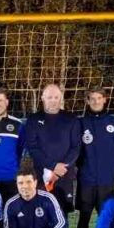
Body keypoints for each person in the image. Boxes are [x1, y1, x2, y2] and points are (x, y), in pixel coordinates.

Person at [76, 87, 114, 228]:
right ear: (87, 101)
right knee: (84, 218)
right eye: (92, 99)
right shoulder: (80, 123)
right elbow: (76, 151)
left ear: (105, 100)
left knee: (106, 220)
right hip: (86, 181)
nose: (96, 101)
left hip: (106, 182)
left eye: (99, 98)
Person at [24, 83, 81, 212]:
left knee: (63, 212)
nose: (53, 101)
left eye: (56, 97)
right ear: (43, 98)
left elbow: (76, 147)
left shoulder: (71, 119)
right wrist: (53, 166)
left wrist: (62, 167)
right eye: (50, 97)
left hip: (64, 175)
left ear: (60, 98)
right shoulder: (33, 119)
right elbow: (32, 148)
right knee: (41, 212)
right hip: (41, 175)